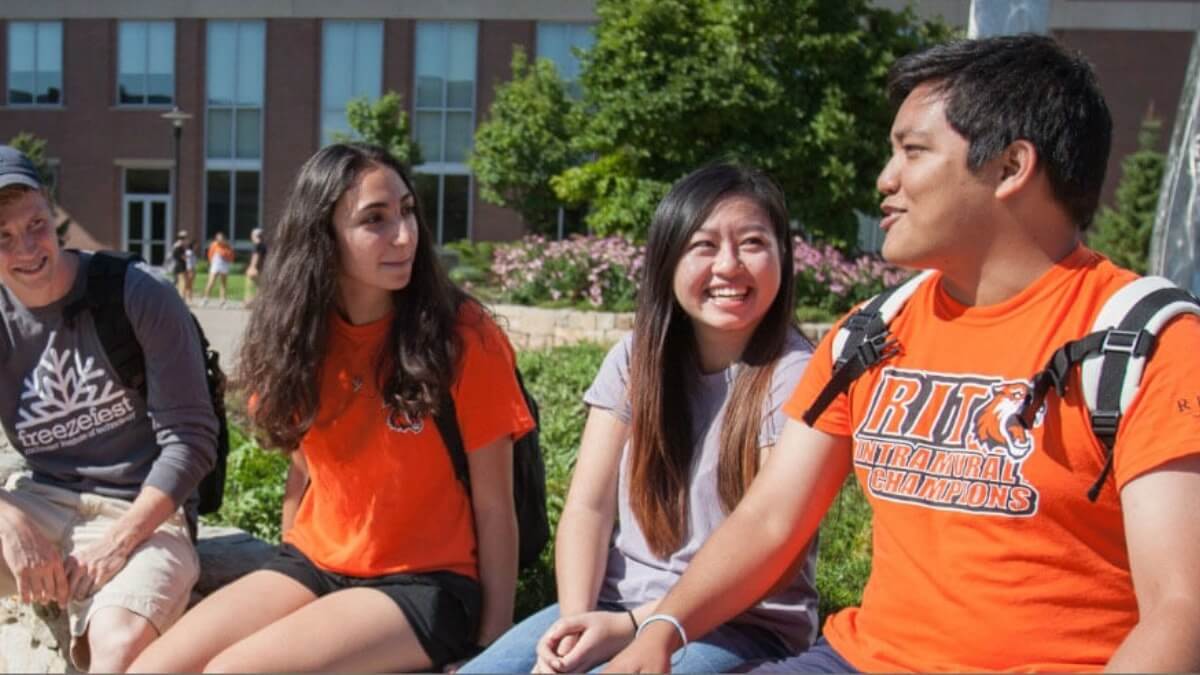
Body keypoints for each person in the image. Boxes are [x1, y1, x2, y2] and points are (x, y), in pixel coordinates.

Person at [607, 34, 1200, 674]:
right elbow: (771, 520)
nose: (885, 180)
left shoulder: (1146, 341)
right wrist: (662, 629)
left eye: (912, 151)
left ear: (1010, 167)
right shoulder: (871, 333)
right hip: (855, 662)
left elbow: (1181, 606)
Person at [128, 143, 534, 673]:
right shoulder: (299, 337)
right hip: (317, 564)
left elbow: (495, 505)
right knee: (149, 669)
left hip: (427, 582)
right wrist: (287, 565)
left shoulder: (461, 336)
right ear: (324, 237)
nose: (405, 235)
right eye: (376, 220)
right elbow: (304, 470)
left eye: (408, 211)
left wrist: (490, 644)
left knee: (233, 672)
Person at [461, 163, 818, 674]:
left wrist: (633, 629)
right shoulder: (635, 360)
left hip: (739, 625)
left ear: (783, 255)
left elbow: (769, 547)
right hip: (613, 607)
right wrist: (575, 626)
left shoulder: (795, 375)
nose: (729, 266)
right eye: (704, 245)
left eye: (753, 243)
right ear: (668, 260)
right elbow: (587, 506)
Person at [0, 145, 218, 672]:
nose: (27, 248)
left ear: (53, 213)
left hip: (142, 510)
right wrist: (6, 516)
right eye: (2, 237)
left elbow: (191, 439)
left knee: (118, 647)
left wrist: (120, 542)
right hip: (41, 500)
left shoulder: (137, 294)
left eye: (35, 224)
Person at [201, 231, 233, 306]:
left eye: (221, 238)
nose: (219, 240)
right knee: (211, 282)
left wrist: (225, 255)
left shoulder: (227, 246)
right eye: (218, 238)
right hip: (215, 265)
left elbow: (231, 256)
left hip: (224, 265)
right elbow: (210, 255)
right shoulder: (214, 245)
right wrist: (211, 262)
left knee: (223, 283)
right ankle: (205, 298)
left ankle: (223, 301)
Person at [245, 227, 266, 301]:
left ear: (255, 235)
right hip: (261, 268)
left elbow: (256, 256)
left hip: (256, 268)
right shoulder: (263, 245)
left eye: (252, 235)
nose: (251, 236)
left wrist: (252, 267)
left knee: (250, 286)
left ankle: (249, 301)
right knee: (259, 286)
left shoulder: (258, 245)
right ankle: (258, 300)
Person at [170, 230, 191, 302]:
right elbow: (178, 256)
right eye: (184, 238)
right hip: (179, 266)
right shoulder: (178, 246)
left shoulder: (181, 246)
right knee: (182, 282)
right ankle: (181, 298)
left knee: (180, 282)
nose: (186, 239)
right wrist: (185, 256)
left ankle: (181, 297)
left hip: (182, 265)